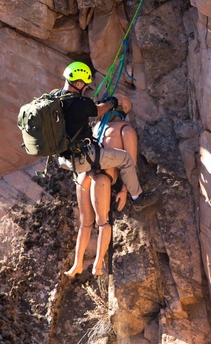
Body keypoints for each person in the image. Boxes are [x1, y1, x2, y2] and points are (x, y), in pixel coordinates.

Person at [56, 62, 152, 277]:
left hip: (84, 174)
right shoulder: (126, 129)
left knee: (85, 224)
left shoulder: (98, 126)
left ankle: (78, 264)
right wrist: (125, 191)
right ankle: (97, 264)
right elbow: (131, 163)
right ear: (124, 111)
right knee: (102, 223)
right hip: (103, 177)